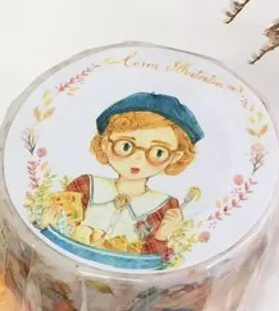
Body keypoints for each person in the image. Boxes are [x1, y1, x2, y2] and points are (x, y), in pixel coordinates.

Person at [61, 93, 203, 261]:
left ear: (174, 157)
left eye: (158, 152)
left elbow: (154, 261)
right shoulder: (86, 186)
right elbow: (60, 227)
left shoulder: (164, 206)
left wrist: (162, 235)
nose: (138, 159)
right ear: (105, 144)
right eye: (126, 146)